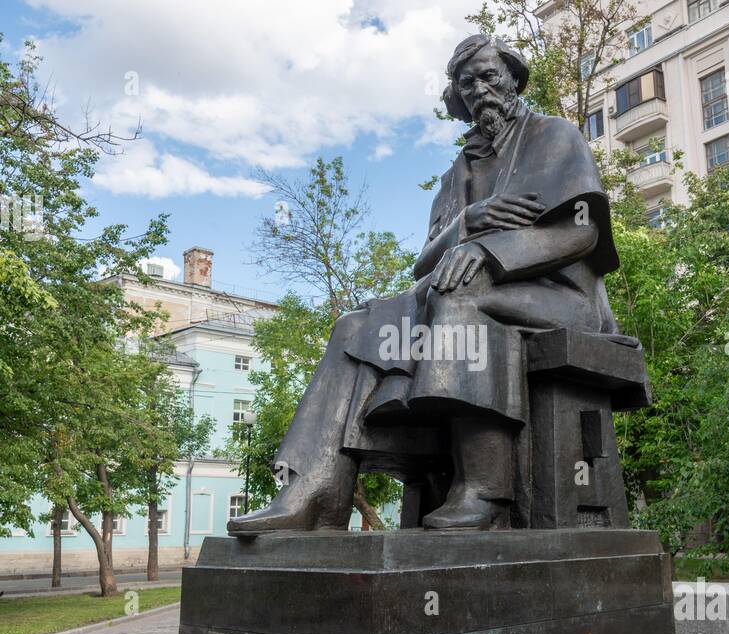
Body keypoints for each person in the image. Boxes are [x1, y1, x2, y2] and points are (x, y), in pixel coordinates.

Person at [229, 34, 625, 533]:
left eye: (489, 76)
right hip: (465, 293)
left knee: (462, 298)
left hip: (564, 300)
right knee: (355, 325)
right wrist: (469, 222)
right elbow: (425, 263)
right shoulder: (454, 177)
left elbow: (581, 231)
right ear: (458, 98)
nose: (480, 88)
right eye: (467, 83)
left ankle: (485, 490)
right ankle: (315, 494)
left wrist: (487, 251)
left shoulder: (556, 137)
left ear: (513, 79)